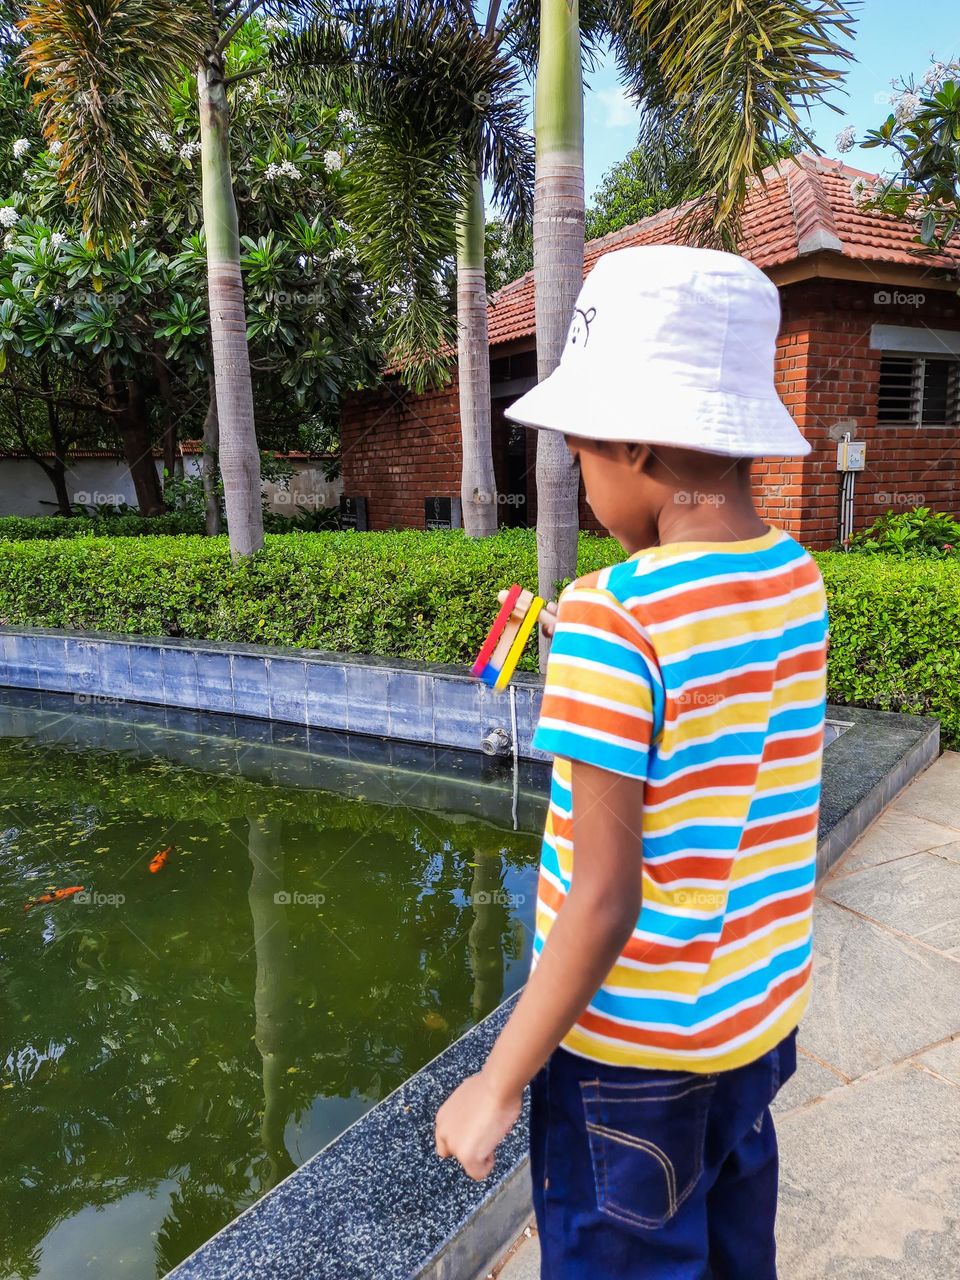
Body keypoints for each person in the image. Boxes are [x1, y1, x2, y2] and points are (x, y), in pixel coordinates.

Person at [434, 245, 829, 1279]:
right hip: (751, 1027)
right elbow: (721, 704)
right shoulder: (797, 576)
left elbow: (604, 899)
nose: (575, 477)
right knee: (737, 1250)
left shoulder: (618, 619)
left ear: (642, 444)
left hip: (629, 1068)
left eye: (580, 455)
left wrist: (498, 1079)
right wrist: (602, 646)